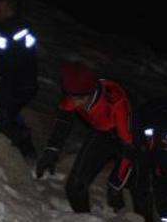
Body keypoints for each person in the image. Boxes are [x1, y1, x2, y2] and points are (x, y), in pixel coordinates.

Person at [33, 61, 137, 214]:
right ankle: (85, 218)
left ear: (92, 92)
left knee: (128, 185)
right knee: (74, 187)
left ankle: (119, 197)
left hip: (129, 136)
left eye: (79, 99)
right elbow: (63, 121)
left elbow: (130, 150)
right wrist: (52, 150)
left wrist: (116, 184)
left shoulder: (116, 103)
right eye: (71, 97)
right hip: (101, 133)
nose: (75, 103)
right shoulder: (73, 95)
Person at [0, 0, 40, 161]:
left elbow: (3, 56)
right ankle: (27, 150)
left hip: (15, 82)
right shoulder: (22, 27)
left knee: (4, 115)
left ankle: (21, 151)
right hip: (26, 82)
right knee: (10, 113)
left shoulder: (8, 29)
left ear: (7, 9)